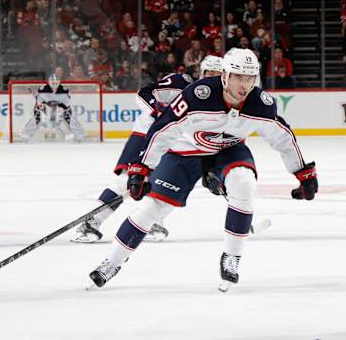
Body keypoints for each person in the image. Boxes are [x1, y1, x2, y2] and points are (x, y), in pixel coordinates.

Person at [88, 48, 318, 292]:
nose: (245, 84)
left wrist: (303, 172)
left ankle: (232, 258)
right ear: (225, 76)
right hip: (185, 152)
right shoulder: (198, 96)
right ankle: (112, 262)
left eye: (250, 78)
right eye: (239, 77)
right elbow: (164, 129)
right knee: (152, 207)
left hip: (226, 150)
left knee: (244, 183)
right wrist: (142, 167)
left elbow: (282, 137)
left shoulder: (259, 104)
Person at [71, 71, 195, 243]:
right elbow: (144, 93)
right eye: (212, 72)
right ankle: (91, 222)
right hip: (145, 134)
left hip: (169, 141)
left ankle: (151, 220)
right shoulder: (183, 81)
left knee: (165, 181)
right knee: (126, 181)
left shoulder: (216, 98)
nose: (215, 76)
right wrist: (159, 111)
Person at [21, 74, 85, 143]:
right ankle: (25, 136)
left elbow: (66, 104)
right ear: (49, 82)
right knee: (36, 117)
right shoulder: (42, 89)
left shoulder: (64, 90)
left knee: (68, 116)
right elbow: (39, 102)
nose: (55, 85)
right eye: (53, 83)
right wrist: (43, 109)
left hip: (59, 106)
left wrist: (61, 110)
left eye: (56, 83)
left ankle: (79, 135)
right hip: (45, 106)